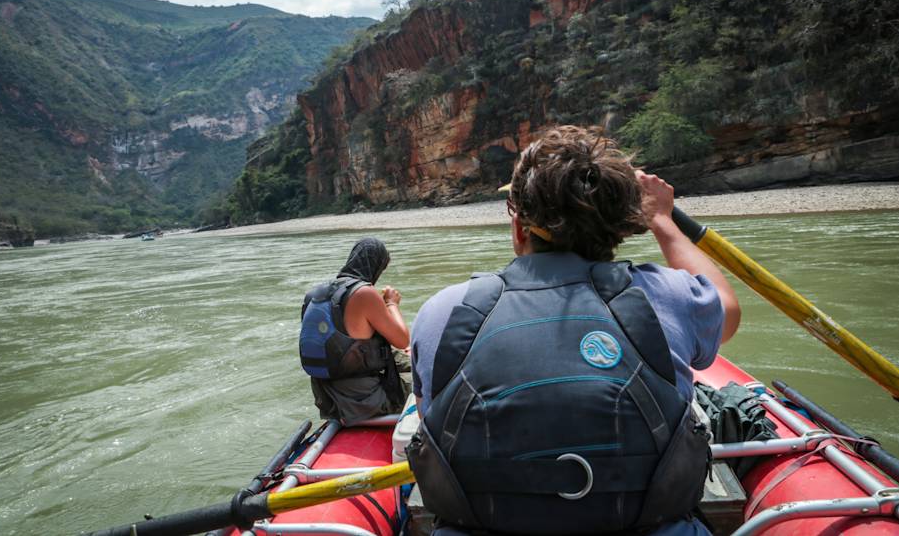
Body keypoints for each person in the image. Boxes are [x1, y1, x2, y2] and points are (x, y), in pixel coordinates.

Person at [407, 125, 741, 535]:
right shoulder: (668, 295)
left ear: (519, 228)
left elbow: (433, 428)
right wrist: (663, 220)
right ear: (620, 229)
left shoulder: (442, 311)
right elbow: (727, 310)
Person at [300, 237, 411, 425]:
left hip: (328, 401)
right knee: (430, 378)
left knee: (405, 359)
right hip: (364, 403)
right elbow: (402, 340)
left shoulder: (314, 294)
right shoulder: (364, 293)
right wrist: (391, 303)